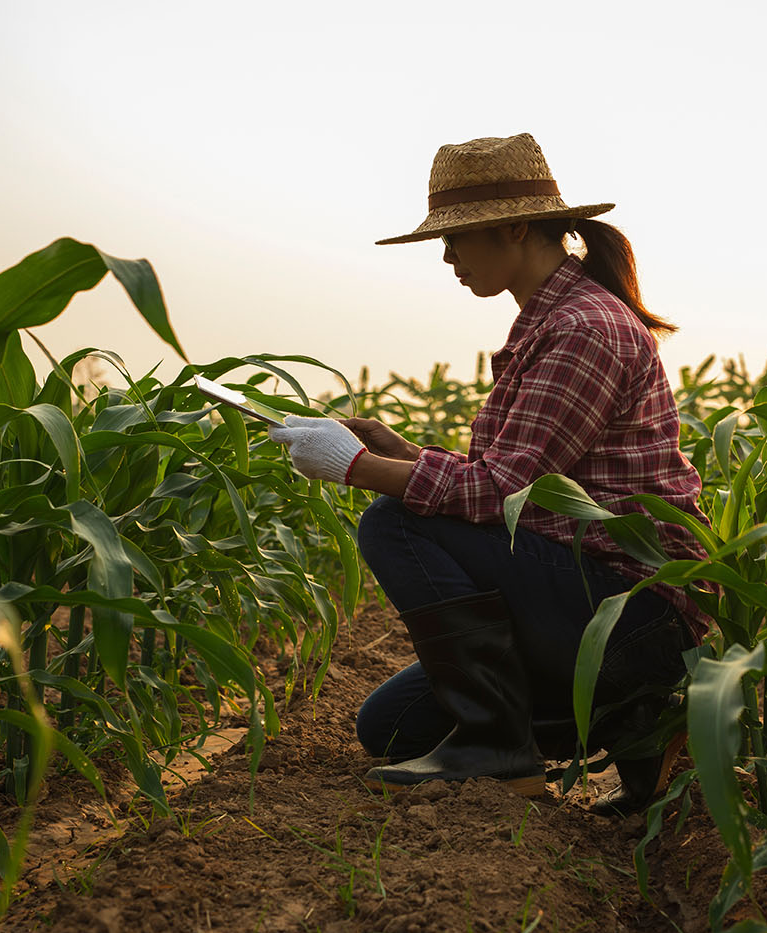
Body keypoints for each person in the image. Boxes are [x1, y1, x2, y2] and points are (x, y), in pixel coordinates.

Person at [269, 133, 709, 813]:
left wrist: (355, 468)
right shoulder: (553, 320)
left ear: (513, 227)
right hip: (585, 592)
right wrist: (395, 448)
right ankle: (640, 728)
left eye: (457, 237)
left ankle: (502, 746)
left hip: (631, 609)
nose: (447, 257)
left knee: (392, 522)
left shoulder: (584, 327)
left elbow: (500, 495)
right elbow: (512, 483)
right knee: (388, 725)